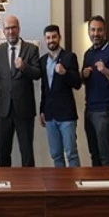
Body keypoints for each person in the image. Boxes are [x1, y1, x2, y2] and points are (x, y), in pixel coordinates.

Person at [0, 15, 41, 167]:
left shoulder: (31, 49)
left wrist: (24, 67)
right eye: (7, 28)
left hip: (24, 110)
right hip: (4, 111)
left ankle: (29, 181)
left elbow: (37, 74)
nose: (10, 31)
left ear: (19, 29)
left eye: (13, 27)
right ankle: (4, 181)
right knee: (3, 152)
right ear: (3, 31)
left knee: (26, 152)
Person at [82, 15, 109, 166]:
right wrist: (83, 75)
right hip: (89, 108)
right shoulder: (88, 53)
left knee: (104, 153)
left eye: (99, 30)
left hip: (104, 109)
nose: (96, 33)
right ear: (89, 32)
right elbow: (85, 80)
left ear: (105, 31)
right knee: (94, 153)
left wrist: (105, 71)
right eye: (93, 30)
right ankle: (97, 181)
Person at [39, 25, 81, 167]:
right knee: (56, 155)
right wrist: (42, 110)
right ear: (45, 40)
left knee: (71, 154)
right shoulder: (43, 60)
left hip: (66, 115)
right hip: (50, 115)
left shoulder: (69, 57)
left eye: (54, 37)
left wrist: (65, 73)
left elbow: (77, 84)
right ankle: (60, 182)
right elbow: (44, 88)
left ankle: (75, 181)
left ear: (59, 38)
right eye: (48, 38)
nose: (51, 40)